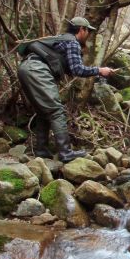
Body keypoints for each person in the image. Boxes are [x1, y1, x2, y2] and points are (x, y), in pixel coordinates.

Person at [17, 17, 115, 162]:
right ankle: (65, 152)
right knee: (56, 111)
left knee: (43, 111)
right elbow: (77, 70)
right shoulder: (72, 42)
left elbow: (68, 67)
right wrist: (100, 71)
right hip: (37, 70)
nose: (88, 35)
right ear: (82, 29)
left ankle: (41, 150)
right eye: (88, 31)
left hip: (25, 68)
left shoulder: (62, 40)